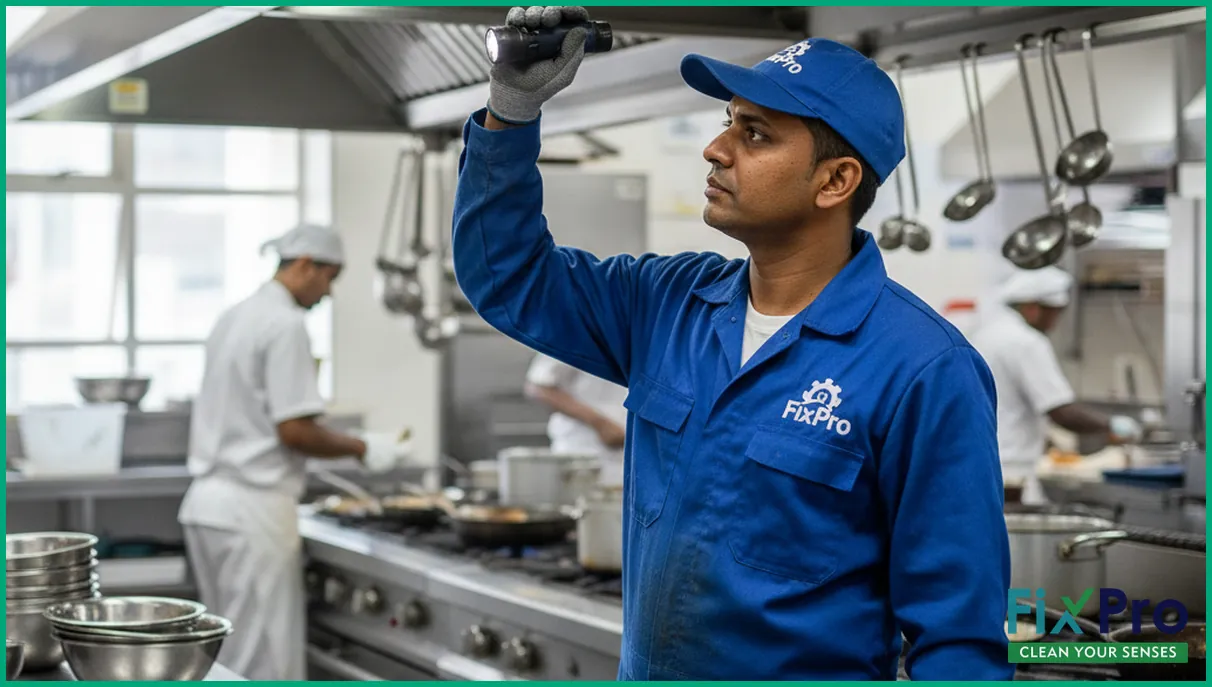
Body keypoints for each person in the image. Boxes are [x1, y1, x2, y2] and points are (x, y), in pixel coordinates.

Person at [449, 6, 1012, 680]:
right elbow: (508, 278)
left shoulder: (923, 368)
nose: (717, 149)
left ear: (836, 181)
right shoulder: (667, 304)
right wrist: (510, 112)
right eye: (727, 124)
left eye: (756, 134)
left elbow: (959, 641)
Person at [177, 224, 413, 680]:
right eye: (329, 278)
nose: (328, 294)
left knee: (225, 659)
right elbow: (295, 431)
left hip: (209, 507)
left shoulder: (235, 315)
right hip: (253, 512)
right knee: (261, 661)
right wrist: (366, 447)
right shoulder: (285, 325)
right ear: (305, 264)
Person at [969, 265, 1144, 504]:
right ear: (1032, 308)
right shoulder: (1026, 342)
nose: (1055, 323)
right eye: (1054, 313)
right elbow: (1061, 411)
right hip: (1012, 475)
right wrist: (1112, 424)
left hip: (982, 465)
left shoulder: (985, 334)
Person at [524, 352, 628, 486]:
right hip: (582, 455)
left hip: (630, 461)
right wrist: (600, 424)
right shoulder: (575, 332)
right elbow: (539, 386)